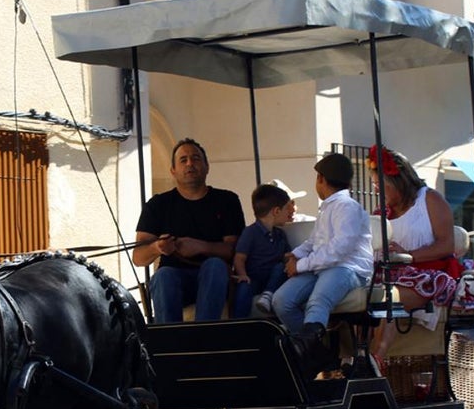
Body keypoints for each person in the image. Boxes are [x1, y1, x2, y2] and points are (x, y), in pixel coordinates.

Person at [272, 152, 372, 374]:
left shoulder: (347, 206)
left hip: (347, 268)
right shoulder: (329, 206)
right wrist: (296, 254)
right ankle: (318, 354)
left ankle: (305, 354)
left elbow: (340, 249)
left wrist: (301, 265)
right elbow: (315, 241)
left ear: (321, 179)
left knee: (319, 300)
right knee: (281, 300)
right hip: (322, 267)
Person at [133, 138, 246, 322]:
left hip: (215, 281)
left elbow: (235, 250)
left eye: (196, 158)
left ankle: (202, 337)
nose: (190, 164)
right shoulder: (157, 205)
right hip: (174, 283)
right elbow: (138, 258)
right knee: (163, 275)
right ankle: (169, 344)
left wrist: (201, 246)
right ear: (173, 171)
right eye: (183, 160)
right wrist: (158, 247)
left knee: (215, 266)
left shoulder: (227, 200)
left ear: (207, 166)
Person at [367, 146, 462, 361]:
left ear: (397, 181)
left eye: (378, 185)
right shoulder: (380, 212)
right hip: (390, 276)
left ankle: (376, 358)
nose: (375, 191)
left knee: (388, 298)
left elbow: (447, 245)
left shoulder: (430, 200)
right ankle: (352, 358)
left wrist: (408, 255)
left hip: (430, 275)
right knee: (365, 296)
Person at [231, 184, 293, 318]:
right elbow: (239, 258)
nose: (290, 213)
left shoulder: (280, 234)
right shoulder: (250, 232)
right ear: (276, 211)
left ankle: (268, 295)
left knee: (280, 267)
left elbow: (286, 257)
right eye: (286, 209)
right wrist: (242, 275)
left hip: (274, 278)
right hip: (253, 278)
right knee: (244, 288)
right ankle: (237, 324)